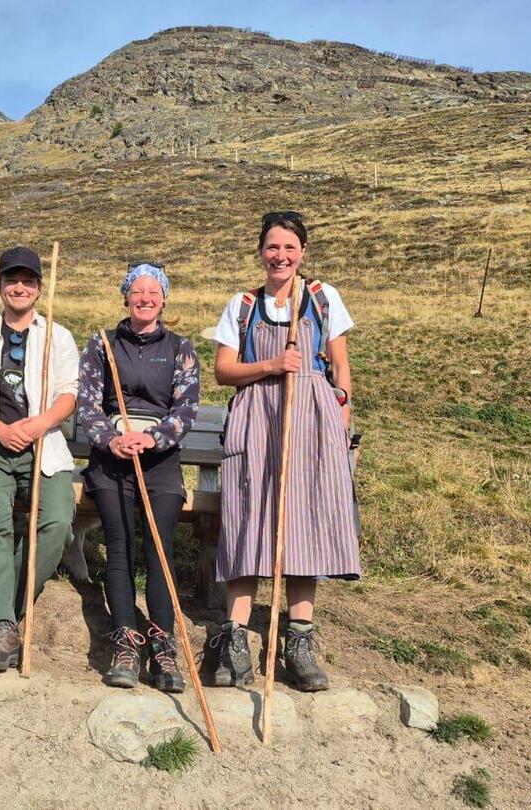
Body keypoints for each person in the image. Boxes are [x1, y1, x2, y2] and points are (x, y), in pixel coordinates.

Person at [205, 211, 358, 692]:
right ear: (261, 251)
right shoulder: (243, 305)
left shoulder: (321, 298)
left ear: (303, 253)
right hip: (256, 416)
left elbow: (340, 366)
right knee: (250, 518)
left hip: (310, 414)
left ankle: (299, 641)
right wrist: (272, 364)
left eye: (290, 248)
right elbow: (224, 370)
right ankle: (234, 639)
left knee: (305, 521)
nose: (281, 256)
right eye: (273, 247)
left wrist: (341, 414)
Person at [0, 246, 79, 673]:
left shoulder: (57, 337)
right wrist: (2, 429)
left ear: (40, 288)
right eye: (11, 279)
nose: (19, 287)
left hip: (42, 446)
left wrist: (38, 424)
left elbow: (68, 394)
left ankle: (2, 605)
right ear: (1, 285)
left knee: (58, 520)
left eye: (27, 280)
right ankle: (2, 625)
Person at [77, 263, 201, 692]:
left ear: (164, 299)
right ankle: (126, 640)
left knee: (159, 550)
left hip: (159, 458)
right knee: (119, 546)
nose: (145, 298)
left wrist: (153, 438)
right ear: (126, 297)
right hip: (112, 457)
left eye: (153, 292)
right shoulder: (102, 344)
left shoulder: (181, 348)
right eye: (137, 291)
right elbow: (87, 406)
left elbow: (186, 409)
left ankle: (163, 646)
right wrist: (112, 440)